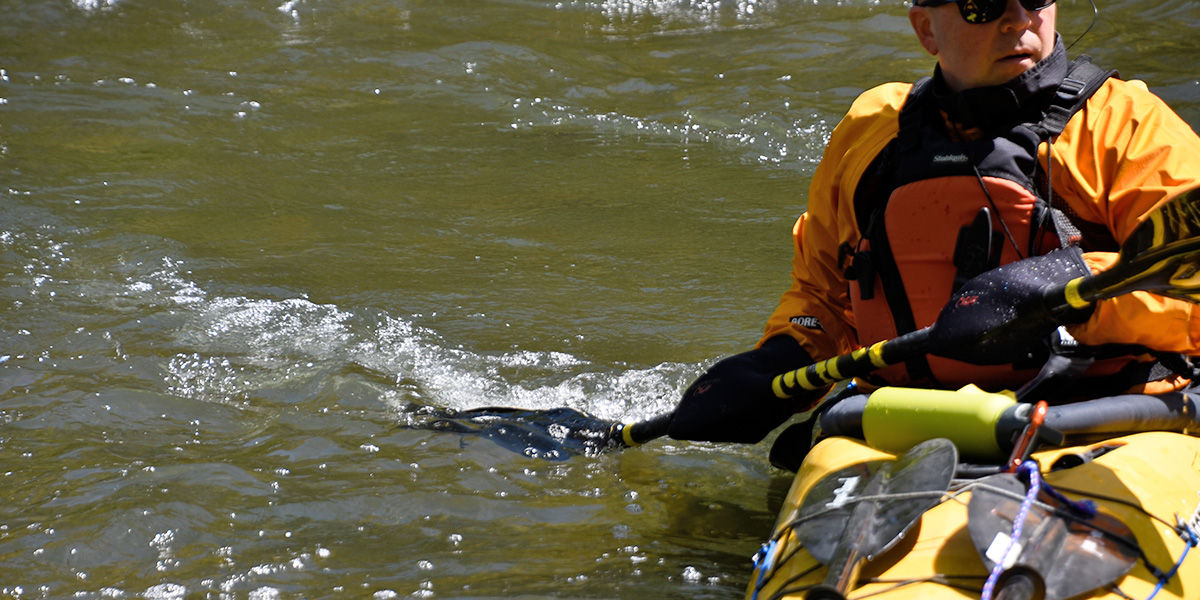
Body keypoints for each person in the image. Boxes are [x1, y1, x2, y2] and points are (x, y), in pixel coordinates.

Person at [665, 0, 1200, 447]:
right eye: (982, 4)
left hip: (1103, 417)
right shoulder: (875, 131)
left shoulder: (1127, 126)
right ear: (926, 28)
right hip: (906, 419)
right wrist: (780, 360)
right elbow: (825, 296)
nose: (1018, 19)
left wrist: (1062, 290)